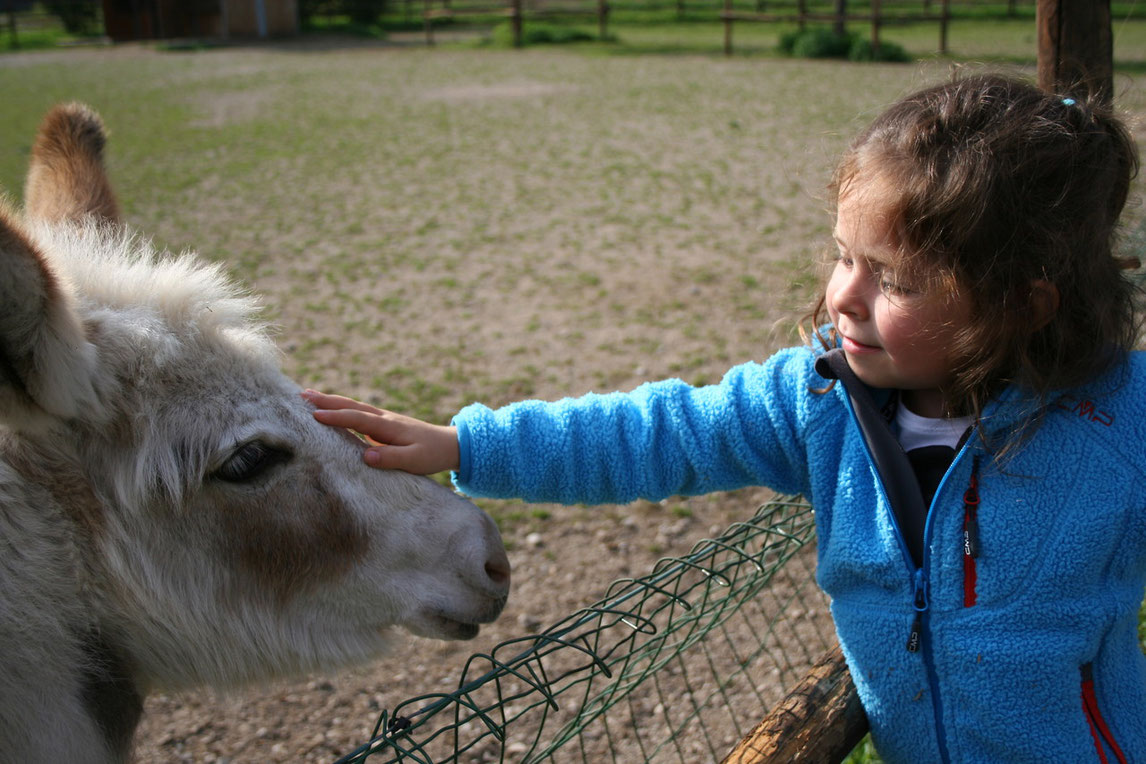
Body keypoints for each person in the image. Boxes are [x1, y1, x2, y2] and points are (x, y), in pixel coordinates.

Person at [302, 73, 1146, 763]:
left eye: (894, 280)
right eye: (845, 257)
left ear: (1021, 306)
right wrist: (464, 443)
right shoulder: (818, 403)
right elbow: (654, 435)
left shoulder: (1116, 421)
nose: (841, 295)